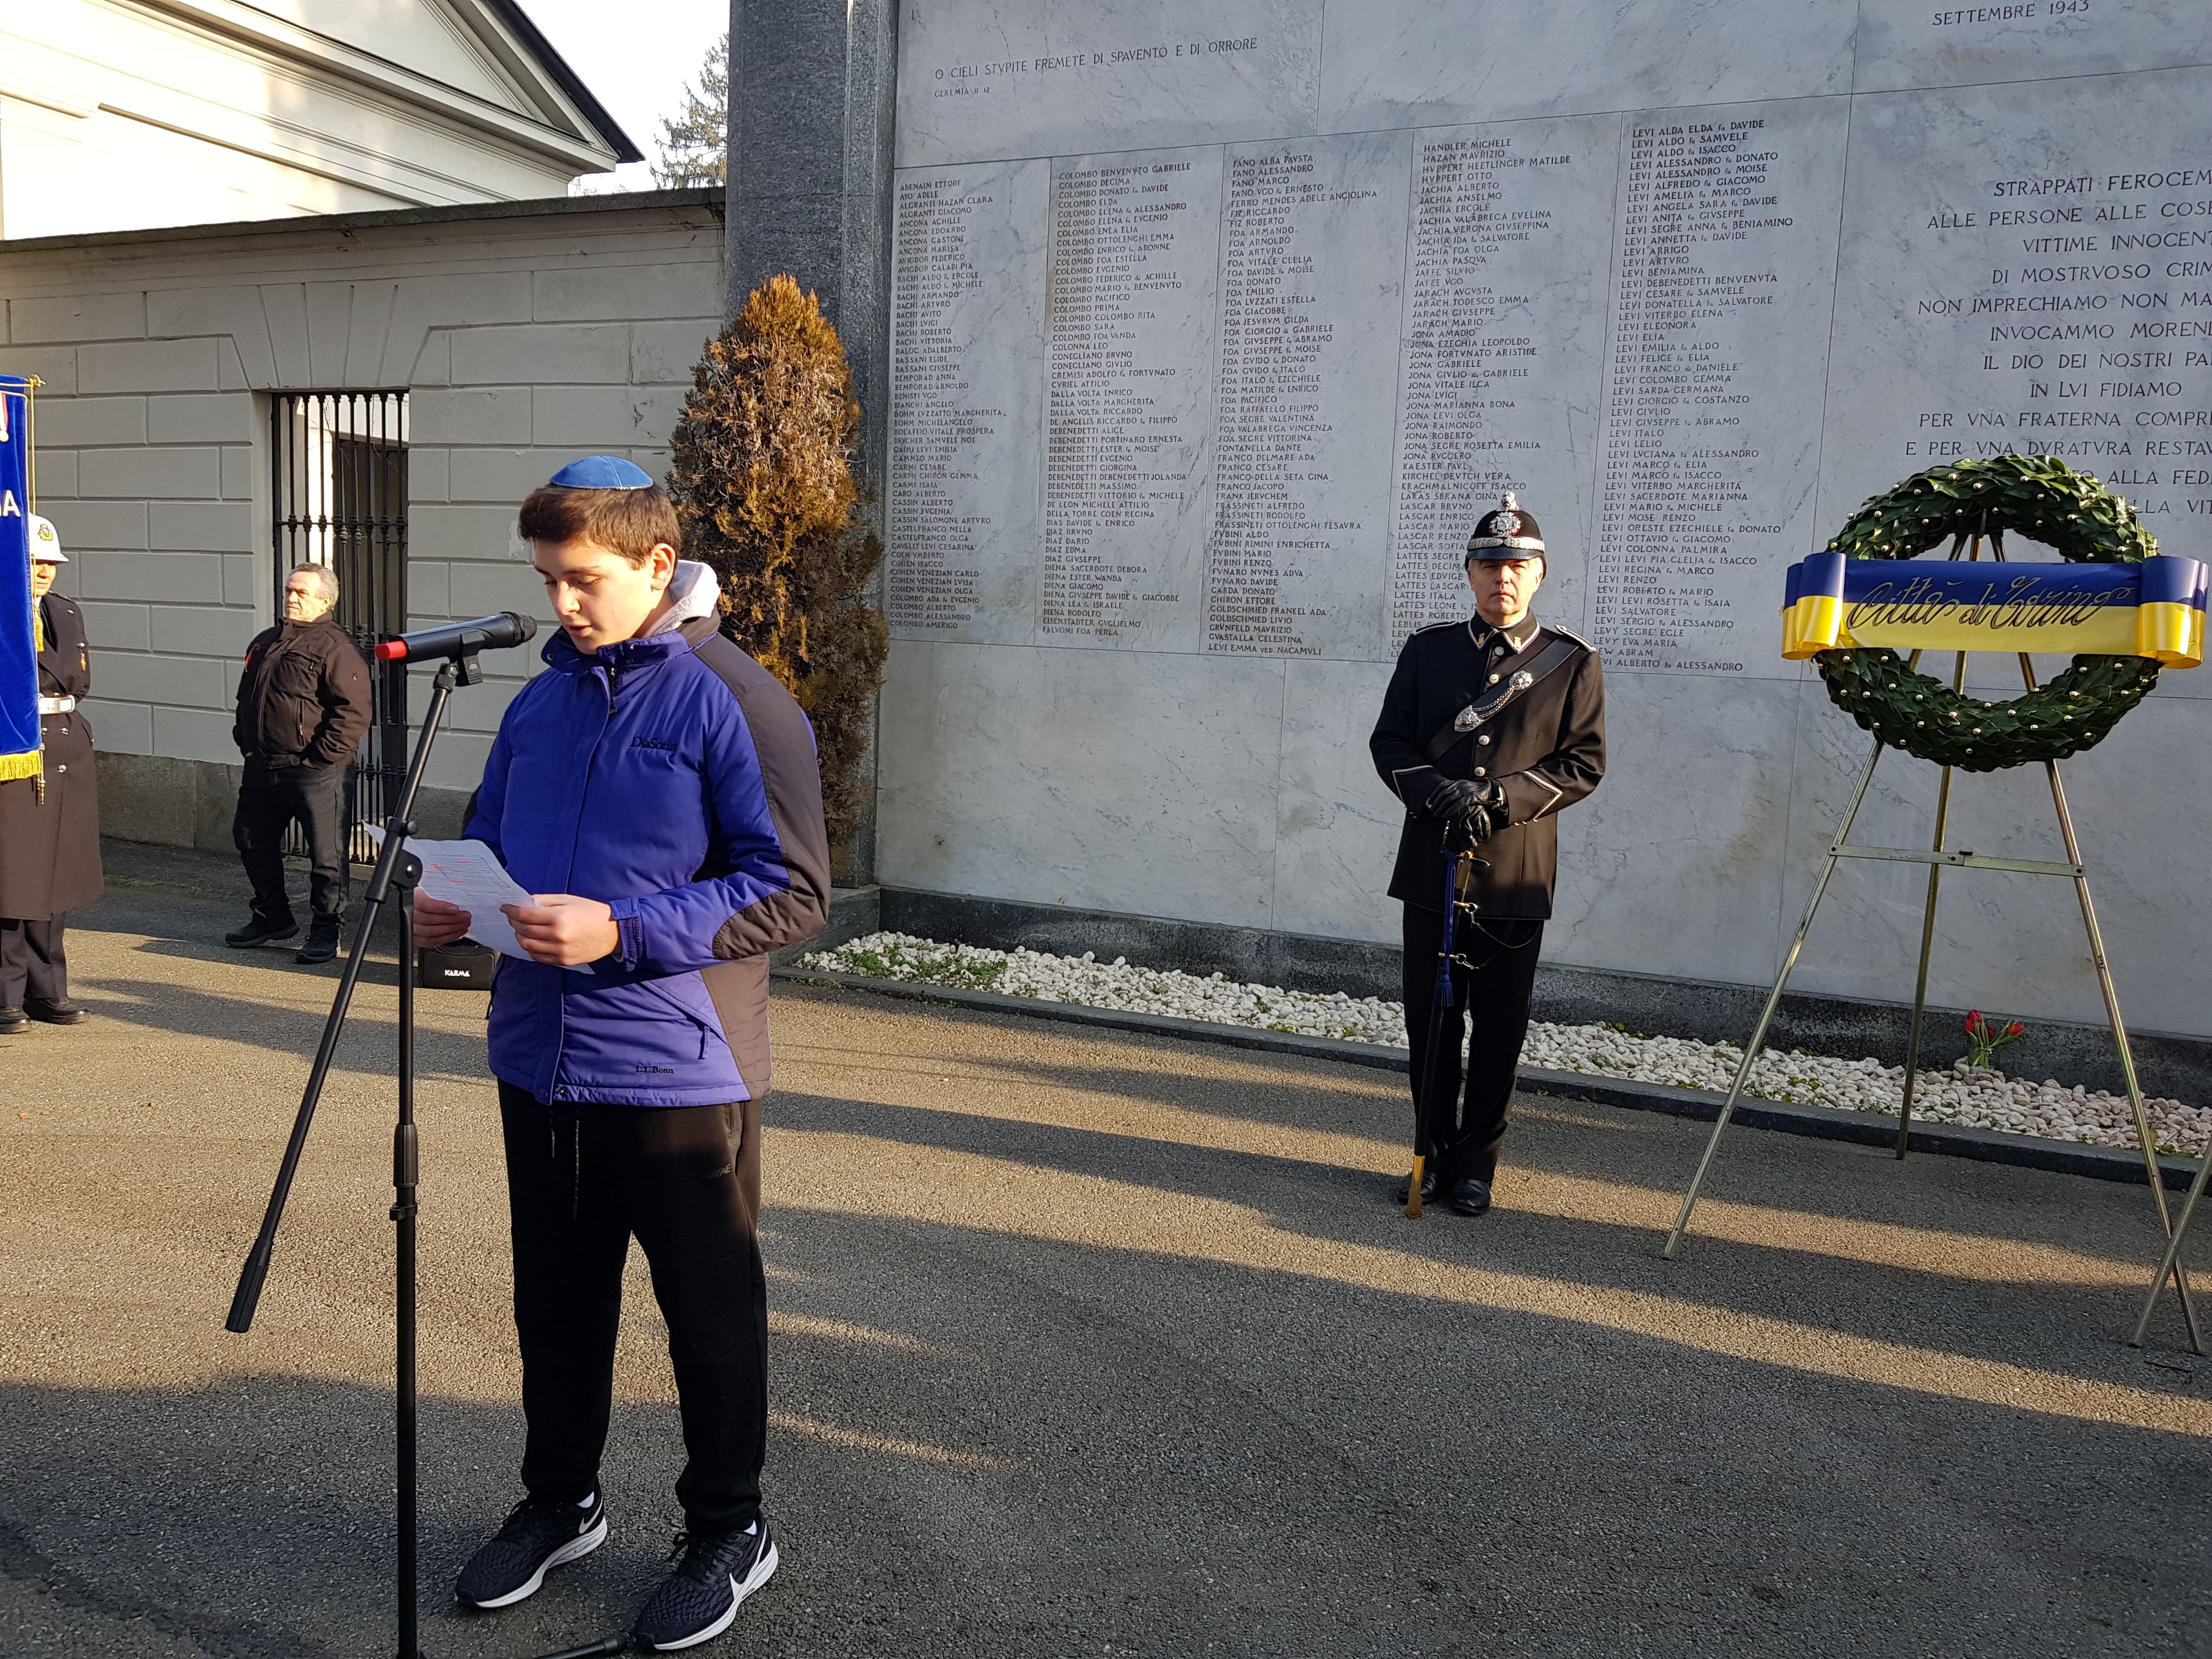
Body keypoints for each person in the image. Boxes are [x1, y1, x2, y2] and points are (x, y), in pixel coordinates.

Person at [411, 455, 829, 1651]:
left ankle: (729, 1528)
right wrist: (458, 906)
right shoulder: (540, 701)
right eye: (547, 580)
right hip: (537, 1052)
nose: (562, 606)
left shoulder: (735, 699)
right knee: (555, 1294)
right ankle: (561, 1501)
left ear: (658, 566)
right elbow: (491, 835)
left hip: (678, 1064)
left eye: (583, 580)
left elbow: (795, 891)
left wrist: (626, 930)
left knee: (707, 1309)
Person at [1369, 494, 1606, 1216]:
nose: (1502, 577)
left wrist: (1500, 801)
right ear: (1470, 574)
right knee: (1431, 1024)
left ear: (1539, 576)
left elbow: (1583, 764)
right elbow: (1391, 743)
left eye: (1517, 565)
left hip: (1514, 876)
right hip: (1433, 866)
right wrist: (1436, 794)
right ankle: (1432, 1159)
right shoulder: (1428, 651)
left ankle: (1477, 1170)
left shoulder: (1570, 663)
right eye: (1489, 564)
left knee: (1500, 1029)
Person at [225, 562, 372, 965]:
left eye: (301, 592)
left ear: (325, 600)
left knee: (327, 856)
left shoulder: (337, 648)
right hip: (263, 767)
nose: (291, 597)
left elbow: (353, 713)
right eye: (289, 590)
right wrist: (246, 741)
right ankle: (273, 917)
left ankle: (326, 931)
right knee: (250, 839)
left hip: (317, 772)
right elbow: (246, 698)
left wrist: (319, 757)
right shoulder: (265, 642)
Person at [0, 515, 103, 1031]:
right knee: (15, 878)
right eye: (34, 562)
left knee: (58, 876)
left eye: (50, 563)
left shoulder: (64, 611)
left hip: (65, 741)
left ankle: (48, 990)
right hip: (19, 748)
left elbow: (79, 680)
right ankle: (6, 995)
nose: (44, 572)